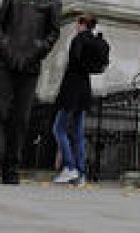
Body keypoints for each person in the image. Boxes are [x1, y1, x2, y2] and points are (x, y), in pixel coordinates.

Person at [0, 0, 61, 185]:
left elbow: (53, 33)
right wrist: (5, 49)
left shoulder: (53, 1)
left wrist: (34, 54)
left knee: (21, 119)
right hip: (6, 64)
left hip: (30, 67)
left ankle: (12, 169)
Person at [52, 13, 105, 186]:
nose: (76, 26)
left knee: (58, 128)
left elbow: (75, 63)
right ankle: (81, 175)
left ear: (82, 24)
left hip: (72, 89)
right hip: (84, 90)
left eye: (78, 23)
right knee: (78, 133)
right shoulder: (95, 41)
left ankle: (69, 166)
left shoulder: (78, 40)